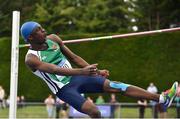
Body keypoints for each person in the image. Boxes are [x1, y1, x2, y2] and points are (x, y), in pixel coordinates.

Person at [20, 21, 179, 118]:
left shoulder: (53, 39)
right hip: (63, 89)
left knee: (116, 85)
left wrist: (95, 71)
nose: (44, 31)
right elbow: (54, 69)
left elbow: (74, 58)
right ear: (30, 38)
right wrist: (82, 72)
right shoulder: (31, 59)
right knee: (94, 112)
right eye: (39, 31)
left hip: (78, 77)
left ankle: (162, 98)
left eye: (42, 28)